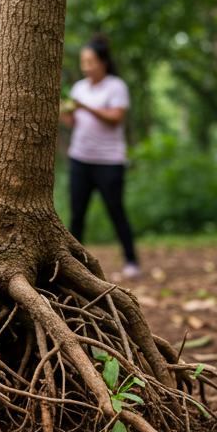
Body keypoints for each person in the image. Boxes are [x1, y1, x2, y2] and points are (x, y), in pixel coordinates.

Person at [61, 35, 140, 279]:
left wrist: (86, 107)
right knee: (77, 213)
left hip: (109, 162)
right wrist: (61, 110)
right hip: (80, 159)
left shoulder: (116, 87)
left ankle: (131, 260)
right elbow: (73, 121)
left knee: (116, 210)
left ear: (103, 62)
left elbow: (115, 117)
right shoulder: (79, 88)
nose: (86, 67)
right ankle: (73, 265)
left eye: (91, 61)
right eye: (84, 62)